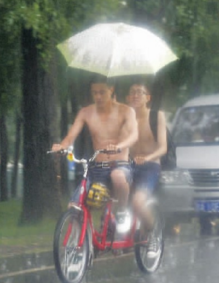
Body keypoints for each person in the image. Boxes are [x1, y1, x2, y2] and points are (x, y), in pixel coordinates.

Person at [51, 78, 138, 214]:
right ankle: (78, 233)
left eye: (102, 92)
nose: (98, 96)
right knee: (74, 205)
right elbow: (70, 136)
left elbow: (133, 136)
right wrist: (62, 146)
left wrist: (118, 146)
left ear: (111, 89)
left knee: (118, 176)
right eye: (94, 93)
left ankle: (122, 212)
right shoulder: (85, 112)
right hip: (97, 168)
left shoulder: (126, 111)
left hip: (120, 164)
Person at [126, 83, 168, 258]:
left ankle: (153, 235)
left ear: (147, 98)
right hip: (129, 165)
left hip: (150, 166)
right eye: (132, 93)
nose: (135, 96)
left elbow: (163, 147)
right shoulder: (126, 118)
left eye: (139, 93)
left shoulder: (156, 116)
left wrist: (148, 158)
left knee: (138, 202)